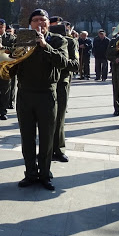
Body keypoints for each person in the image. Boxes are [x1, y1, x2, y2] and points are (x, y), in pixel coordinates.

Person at [11, 9, 67, 191]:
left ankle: (45, 174)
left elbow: (64, 63)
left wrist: (45, 46)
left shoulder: (58, 40)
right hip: (25, 94)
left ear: (48, 23)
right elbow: (13, 66)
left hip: (47, 94)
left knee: (47, 138)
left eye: (43, 20)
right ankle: (30, 173)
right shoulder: (23, 39)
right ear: (30, 23)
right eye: (35, 20)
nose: (39, 23)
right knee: (27, 137)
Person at [50, 19, 79, 163]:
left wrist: (59, 59)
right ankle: (46, 149)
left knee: (59, 118)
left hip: (61, 83)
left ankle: (59, 149)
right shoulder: (44, 40)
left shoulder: (70, 42)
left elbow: (75, 65)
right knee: (46, 120)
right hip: (46, 83)